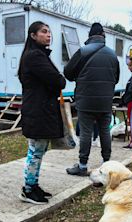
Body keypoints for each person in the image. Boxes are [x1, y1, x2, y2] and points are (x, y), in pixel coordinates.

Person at [17, 21, 66, 204]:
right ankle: (28, 190)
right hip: (37, 112)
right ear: (33, 35)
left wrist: (57, 80)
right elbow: (58, 81)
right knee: (35, 151)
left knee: (39, 150)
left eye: (49, 32)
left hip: (41, 110)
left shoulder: (38, 55)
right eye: (44, 32)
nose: (48, 35)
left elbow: (55, 81)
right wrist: (58, 80)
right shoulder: (34, 56)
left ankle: (33, 185)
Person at [64, 22, 120, 176]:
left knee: (86, 133)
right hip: (105, 101)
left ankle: (82, 166)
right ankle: (107, 165)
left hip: (86, 100)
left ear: (89, 36)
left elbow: (67, 73)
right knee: (104, 132)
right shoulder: (112, 54)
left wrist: (79, 76)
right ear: (103, 35)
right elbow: (116, 78)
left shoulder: (82, 51)